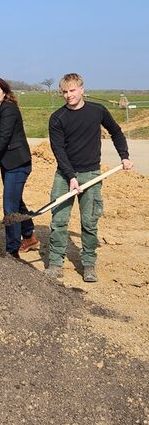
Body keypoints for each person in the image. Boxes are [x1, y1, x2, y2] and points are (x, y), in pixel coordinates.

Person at [46, 73, 133, 282]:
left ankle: (88, 264)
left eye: (72, 90)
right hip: (64, 175)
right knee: (58, 220)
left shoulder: (97, 111)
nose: (68, 95)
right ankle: (56, 263)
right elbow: (58, 150)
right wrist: (70, 177)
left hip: (92, 173)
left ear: (82, 89)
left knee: (89, 222)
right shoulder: (57, 118)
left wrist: (124, 156)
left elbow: (116, 132)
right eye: (64, 92)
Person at [0, 77, 40, 258]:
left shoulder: (9, 109)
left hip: (18, 164)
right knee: (16, 201)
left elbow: (3, 138)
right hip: (7, 163)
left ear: (4, 92)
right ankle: (28, 236)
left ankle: (12, 251)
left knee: (9, 206)